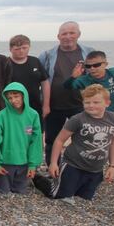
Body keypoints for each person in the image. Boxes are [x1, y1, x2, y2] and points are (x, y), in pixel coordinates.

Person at [34, 85, 114, 202]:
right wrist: (54, 163)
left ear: (107, 103)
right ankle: (37, 179)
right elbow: (59, 140)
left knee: (84, 199)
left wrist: (113, 166)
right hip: (72, 166)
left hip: (96, 169)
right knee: (59, 196)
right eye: (87, 102)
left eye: (96, 102)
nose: (91, 105)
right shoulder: (77, 119)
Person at [39, 21, 95, 163]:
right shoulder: (47, 55)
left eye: (72, 33)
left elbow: (98, 75)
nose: (68, 36)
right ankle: (53, 168)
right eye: (64, 33)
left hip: (81, 105)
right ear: (58, 36)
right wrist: (43, 104)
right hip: (54, 105)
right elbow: (40, 79)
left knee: (84, 138)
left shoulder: (89, 53)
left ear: (79, 34)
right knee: (52, 140)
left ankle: (78, 167)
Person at [0, 83, 43, 194]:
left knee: (21, 193)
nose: (13, 100)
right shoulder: (1, 116)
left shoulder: (33, 115)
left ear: (23, 96)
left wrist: (32, 164)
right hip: (5, 163)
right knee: (2, 193)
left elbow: (36, 141)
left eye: (16, 96)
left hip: (24, 164)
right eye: (9, 98)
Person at [63, 50, 114, 114]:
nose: (92, 68)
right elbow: (67, 86)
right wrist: (73, 77)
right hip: (93, 116)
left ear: (105, 64)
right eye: (88, 66)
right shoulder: (84, 80)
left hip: (113, 115)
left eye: (96, 65)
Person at [8, 34, 49, 128]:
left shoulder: (35, 61)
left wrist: (46, 105)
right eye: (17, 49)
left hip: (35, 106)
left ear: (29, 47)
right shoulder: (6, 63)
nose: (21, 51)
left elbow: (45, 83)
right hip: (14, 107)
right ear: (10, 49)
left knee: (35, 131)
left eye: (24, 48)